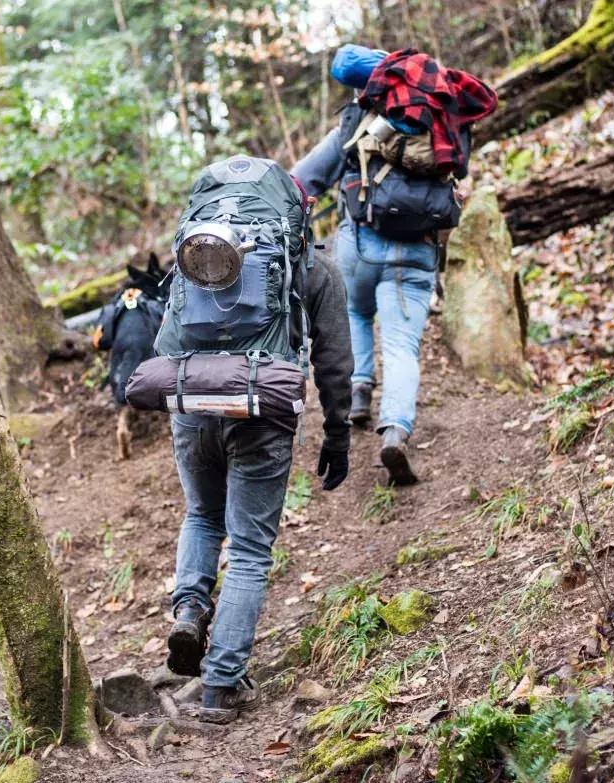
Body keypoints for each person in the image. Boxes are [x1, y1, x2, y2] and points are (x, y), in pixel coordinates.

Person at [151, 157, 353, 723]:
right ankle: (220, 685)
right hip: (262, 408)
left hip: (192, 401)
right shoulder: (313, 270)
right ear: (297, 216)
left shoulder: (194, 260)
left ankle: (189, 609)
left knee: (201, 515)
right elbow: (336, 362)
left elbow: (167, 338)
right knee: (248, 549)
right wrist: (337, 435)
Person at [292, 46, 496, 486]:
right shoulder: (446, 122)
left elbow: (305, 179)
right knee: (402, 346)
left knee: (354, 313)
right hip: (418, 250)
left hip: (360, 245)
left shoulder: (359, 118)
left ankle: (360, 391)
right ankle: (396, 431)